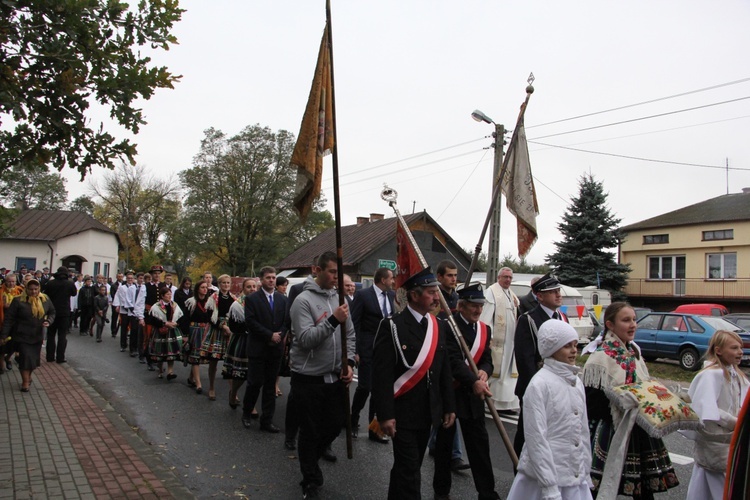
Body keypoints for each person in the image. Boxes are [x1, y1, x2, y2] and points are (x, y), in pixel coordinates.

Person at [372, 267, 456, 500]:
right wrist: (385, 414)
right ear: (415, 295)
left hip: (429, 411)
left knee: (408, 467)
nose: (436, 297)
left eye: (436, 292)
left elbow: (443, 369)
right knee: (410, 472)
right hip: (403, 411)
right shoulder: (393, 326)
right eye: (431, 292)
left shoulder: (438, 325)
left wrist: (449, 406)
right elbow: (382, 375)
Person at [582, 302, 678, 498]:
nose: (633, 324)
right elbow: (590, 404)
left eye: (634, 319)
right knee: (601, 486)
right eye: (626, 320)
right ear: (610, 324)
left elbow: (644, 385)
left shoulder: (634, 353)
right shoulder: (600, 358)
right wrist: (620, 403)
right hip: (612, 428)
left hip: (638, 425)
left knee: (643, 487)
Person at [289, 252, 355, 498]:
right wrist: (332, 321)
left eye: (339, 274)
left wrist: (348, 363)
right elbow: (305, 340)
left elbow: (350, 335)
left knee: (335, 425)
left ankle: (311, 462)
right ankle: (310, 480)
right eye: (332, 272)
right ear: (316, 270)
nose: (336, 278)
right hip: (308, 378)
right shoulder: (303, 301)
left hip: (335, 377)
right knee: (310, 430)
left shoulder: (341, 299)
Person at [507, 320, 593, 500]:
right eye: (566, 346)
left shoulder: (576, 381)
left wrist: (585, 469)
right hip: (544, 477)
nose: (573, 350)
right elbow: (536, 437)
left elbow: (582, 430)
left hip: (573, 473)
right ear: (552, 350)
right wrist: (549, 485)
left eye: (575, 345)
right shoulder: (539, 385)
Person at [434, 282, 500, 500]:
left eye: (480, 306)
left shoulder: (484, 329)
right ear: (461, 306)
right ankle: (441, 492)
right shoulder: (447, 326)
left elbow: (488, 360)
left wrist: (484, 372)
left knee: (479, 447)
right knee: (444, 447)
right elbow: (452, 360)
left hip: (474, 396)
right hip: (451, 393)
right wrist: (473, 379)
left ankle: (487, 492)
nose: (478, 310)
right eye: (473, 305)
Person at [685, 330, 749, 500]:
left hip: (729, 442)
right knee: (715, 486)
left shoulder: (737, 375)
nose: (740, 352)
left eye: (740, 348)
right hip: (716, 443)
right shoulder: (711, 375)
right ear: (719, 350)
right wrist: (736, 422)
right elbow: (706, 408)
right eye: (734, 348)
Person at [513, 272, 568, 458]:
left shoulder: (562, 318)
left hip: (558, 386)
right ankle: (519, 470)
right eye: (552, 292)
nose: (558, 294)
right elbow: (524, 359)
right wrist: (535, 388)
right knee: (528, 432)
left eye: (558, 290)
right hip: (535, 385)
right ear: (540, 296)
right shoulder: (528, 320)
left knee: (553, 433)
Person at [350, 267, 395, 441]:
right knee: (365, 387)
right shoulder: (363, 295)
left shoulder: (391, 296)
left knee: (379, 389)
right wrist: (355, 350)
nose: (393, 282)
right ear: (383, 280)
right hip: (367, 348)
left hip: (385, 350)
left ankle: (374, 428)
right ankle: (353, 419)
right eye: (391, 278)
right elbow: (354, 323)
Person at [242, 267, 288, 432]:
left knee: (270, 385)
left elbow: (286, 321)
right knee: (254, 383)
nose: (271, 280)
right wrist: (269, 335)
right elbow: (251, 321)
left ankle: (266, 420)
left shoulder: (282, 299)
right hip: (258, 347)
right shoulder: (253, 299)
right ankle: (246, 412)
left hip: (275, 349)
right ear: (261, 280)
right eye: (268, 277)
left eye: (274, 277)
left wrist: (279, 335)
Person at [0, 279, 55, 391]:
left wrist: (48, 321)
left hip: (37, 335)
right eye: (31, 289)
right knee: (25, 358)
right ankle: (25, 382)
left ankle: (28, 377)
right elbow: (9, 319)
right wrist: (4, 335)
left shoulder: (44, 299)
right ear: (26, 289)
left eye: (36, 289)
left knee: (33, 360)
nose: (33, 292)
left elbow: (52, 312)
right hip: (22, 335)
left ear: (39, 288)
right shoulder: (18, 300)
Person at [479, 267, 521, 411]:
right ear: (499, 278)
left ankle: (506, 402)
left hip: (510, 342)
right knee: (498, 370)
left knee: (509, 372)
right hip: (497, 342)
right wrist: (488, 338)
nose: (508, 280)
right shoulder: (492, 292)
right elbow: (486, 317)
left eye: (510, 277)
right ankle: (492, 402)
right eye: (505, 277)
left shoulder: (511, 294)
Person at [200, 275, 242, 401]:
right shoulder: (213, 297)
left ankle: (232, 391)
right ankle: (212, 387)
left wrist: (230, 328)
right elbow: (209, 317)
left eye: (228, 283)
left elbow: (236, 316)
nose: (226, 285)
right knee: (213, 361)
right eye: (223, 283)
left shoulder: (234, 299)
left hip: (230, 331)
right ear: (219, 284)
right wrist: (222, 326)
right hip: (216, 331)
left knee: (230, 362)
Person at [223, 278, 254, 409]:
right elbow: (234, 327)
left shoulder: (259, 302)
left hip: (257, 340)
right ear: (243, 289)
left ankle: (251, 404)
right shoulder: (237, 305)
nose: (252, 289)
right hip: (242, 341)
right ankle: (233, 392)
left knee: (255, 375)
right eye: (248, 287)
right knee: (240, 374)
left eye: (254, 286)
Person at [147, 286, 184, 381]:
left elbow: (180, 316)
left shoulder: (174, 305)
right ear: (162, 296)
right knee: (161, 351)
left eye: (170, 294)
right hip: (160, 331)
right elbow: (151, 319)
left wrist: (176, 323)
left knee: (170, 352)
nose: (169, 296)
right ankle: (160, 369)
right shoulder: (156, 306)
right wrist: (164, 323)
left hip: (172, 331)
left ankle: (170, 371)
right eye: (167, 294)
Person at [43, 266, 78, 363]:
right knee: (62, 335)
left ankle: (50, 357)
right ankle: (60, 357)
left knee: (51, 335)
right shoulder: (69, 284)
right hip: (64, 312)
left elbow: (45, 295)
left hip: (52, 312)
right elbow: (74, 293)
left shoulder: (50, 283)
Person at [184, 280, 213, 394]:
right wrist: (185, 335)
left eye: (206, 287)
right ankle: (199, 384)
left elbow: (212, 317)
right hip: (194, 330)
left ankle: (192, 378)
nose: (205, 289)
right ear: (197, 289)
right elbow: (185, 319)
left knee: (200, 356)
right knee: (195, 356)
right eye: (202, 287)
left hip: (206, 330)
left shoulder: (210, 302)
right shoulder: (191, 302)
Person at [1, 274, 25, 372]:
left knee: (14, 344)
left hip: (16, 322)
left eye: (13, 281)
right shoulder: (1, 291)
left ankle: (8, 358)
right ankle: (1, 365)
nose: (11, 283)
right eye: (9, 281)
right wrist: (3, 306)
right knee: (2, 343)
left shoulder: (20, 291)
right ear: (5, 282)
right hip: (3, 320)